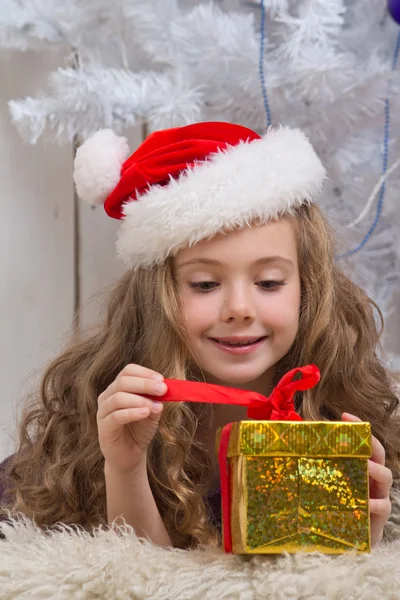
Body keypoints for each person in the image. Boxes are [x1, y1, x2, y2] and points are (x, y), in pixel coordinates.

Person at [0, 122, 398, 551]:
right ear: (158, 298)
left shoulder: (351, 421)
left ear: (308, 289)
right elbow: (127, 583)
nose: (239, 308)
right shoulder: (79, 443)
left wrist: (358, 550)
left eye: (268, 282)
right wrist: (125, 468)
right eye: (205, 285)